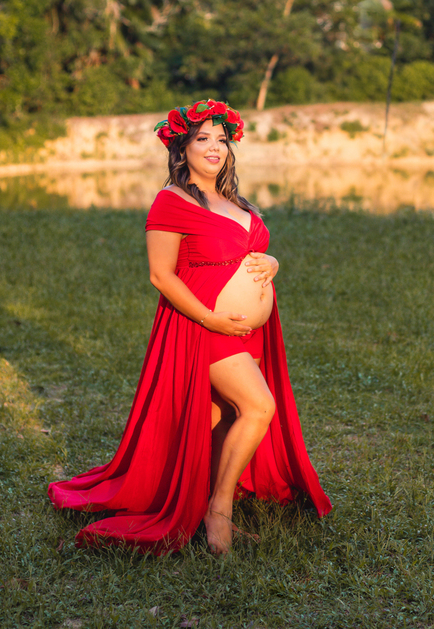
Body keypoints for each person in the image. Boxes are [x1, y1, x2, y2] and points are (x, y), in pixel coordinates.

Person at [48, 99, 332, 555]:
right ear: (182, 149)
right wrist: (210, 317)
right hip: (204, 326)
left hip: (248, 332)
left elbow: (249, 252)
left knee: (223, 417)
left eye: (222, 139)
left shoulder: (234, 201)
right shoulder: (171, 201)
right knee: (258, 406)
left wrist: (274, 261)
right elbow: (161, 275)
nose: (215, 147)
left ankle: (204, 502)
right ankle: (218, 510)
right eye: (203, 139)